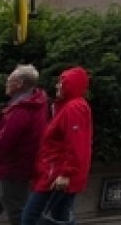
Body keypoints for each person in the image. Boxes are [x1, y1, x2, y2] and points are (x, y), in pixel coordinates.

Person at [0, 65, 49, 225]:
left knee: (21, 217)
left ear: (19, 84)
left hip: (11, 173)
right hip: (6, 172)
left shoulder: (20, 111)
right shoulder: (36, 104)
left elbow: (1, 146)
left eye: (10, 78)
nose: (6, 81)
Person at [20, 67, 93, 225]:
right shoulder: (68, 107)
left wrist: (66, 173)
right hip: (56, 174)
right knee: (59, 217)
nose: (57, 85)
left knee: (30, 218)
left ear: (71, 85)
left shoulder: (73, 108)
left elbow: (76, 143)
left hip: (55, 176)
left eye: (62, 82)